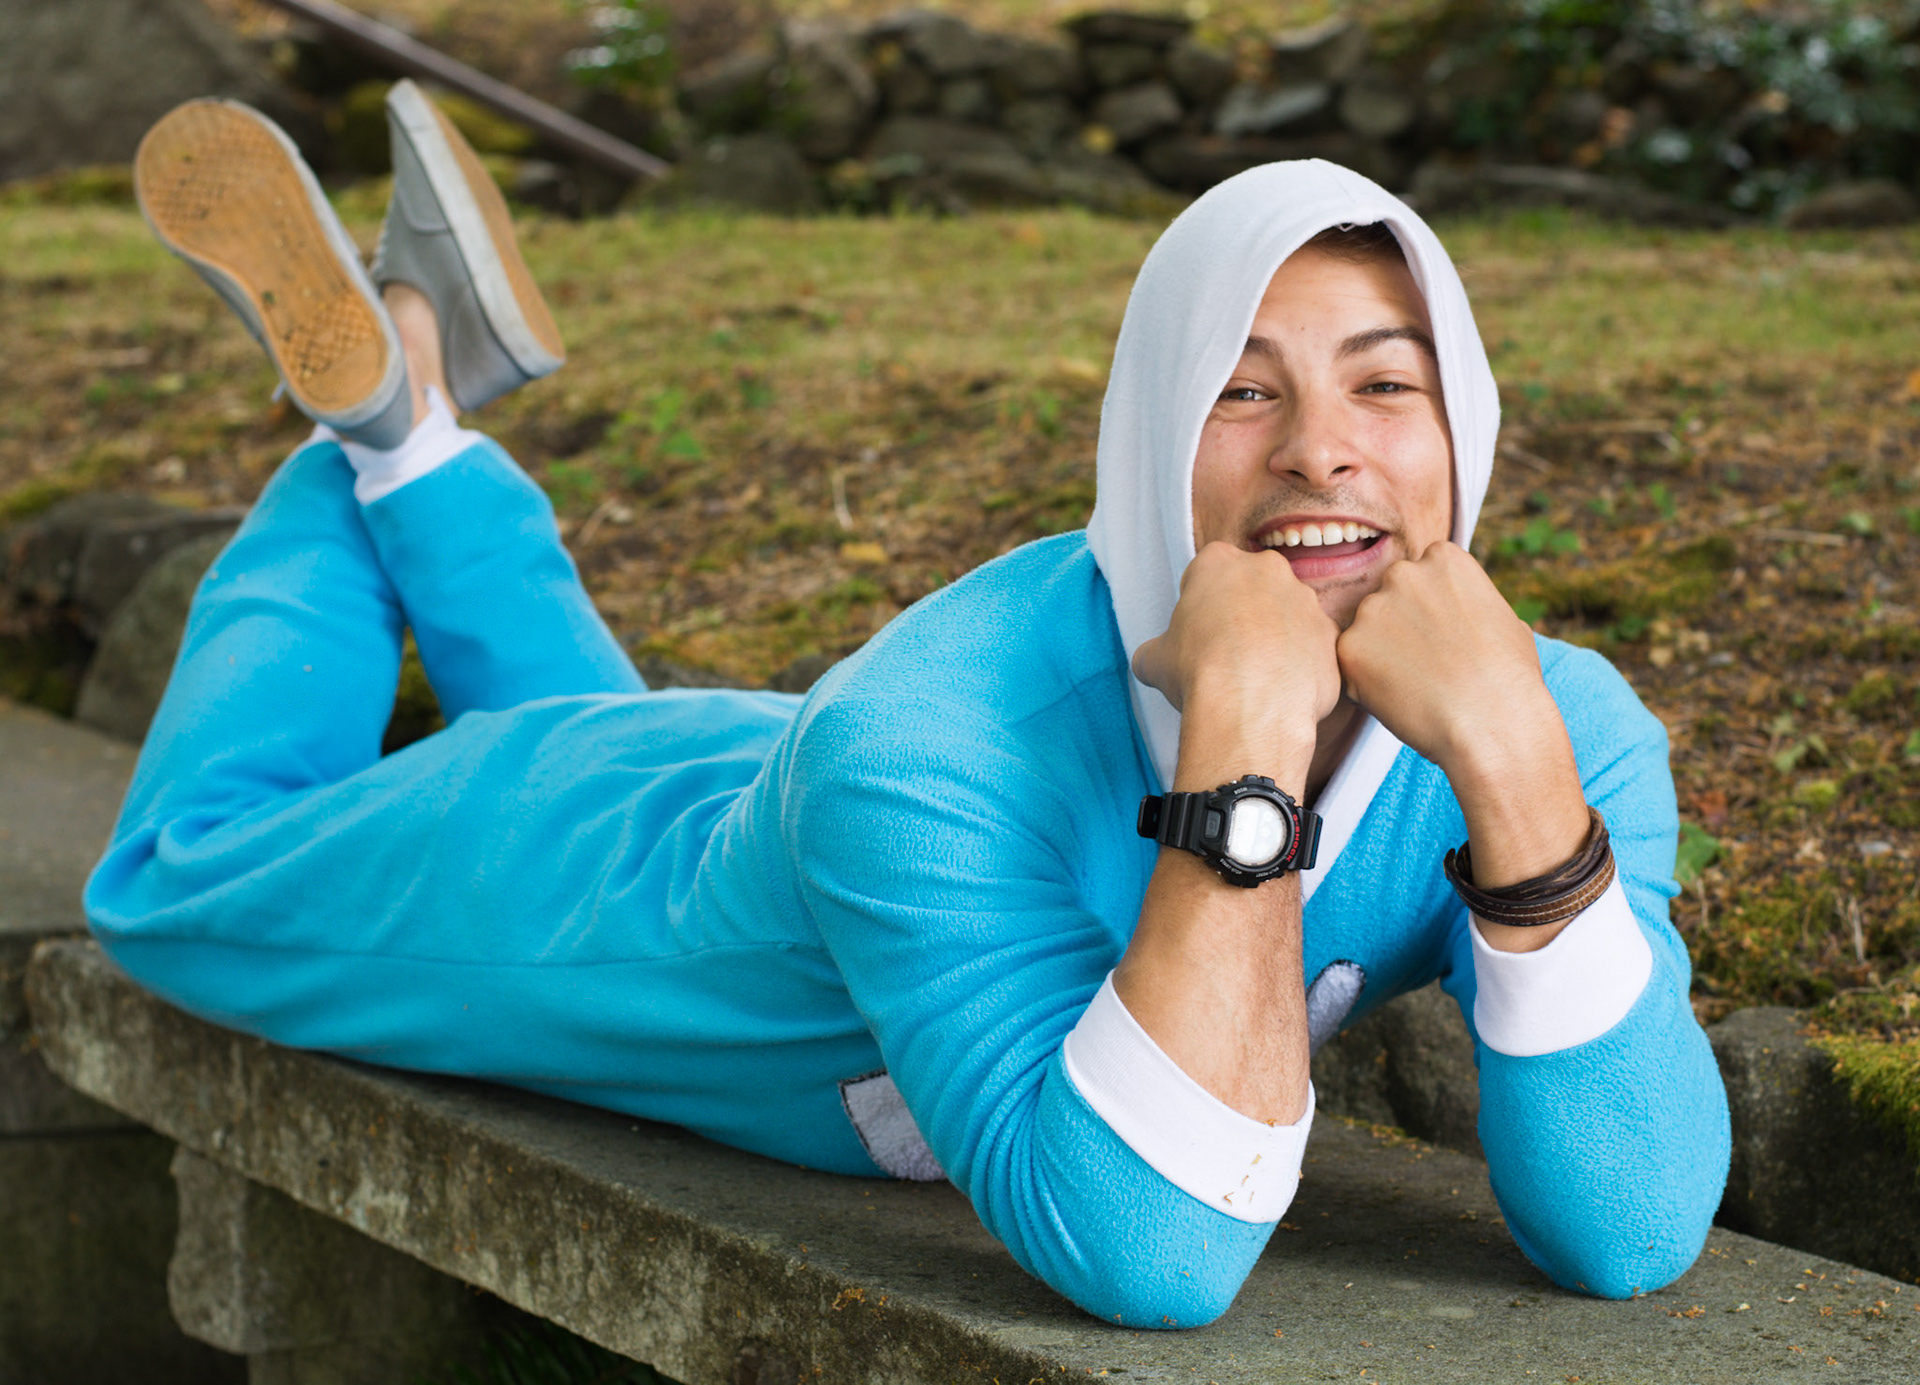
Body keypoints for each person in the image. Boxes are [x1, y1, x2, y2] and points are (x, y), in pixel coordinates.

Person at [89, 87, 1731, 1328]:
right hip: (595, 898)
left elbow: (1636, 1225)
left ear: (1465, 424)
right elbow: (1154, 1251)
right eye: (1242, 388)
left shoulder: (1555, 732)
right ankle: (385, 419)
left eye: (1386, 381)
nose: (1322, 449)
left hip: (795, 803)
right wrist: (1247, 724)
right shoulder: (918, 747)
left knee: (597, 727)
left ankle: (432, 416)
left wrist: (1515, 772)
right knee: (175, 883)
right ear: (1145, 429)